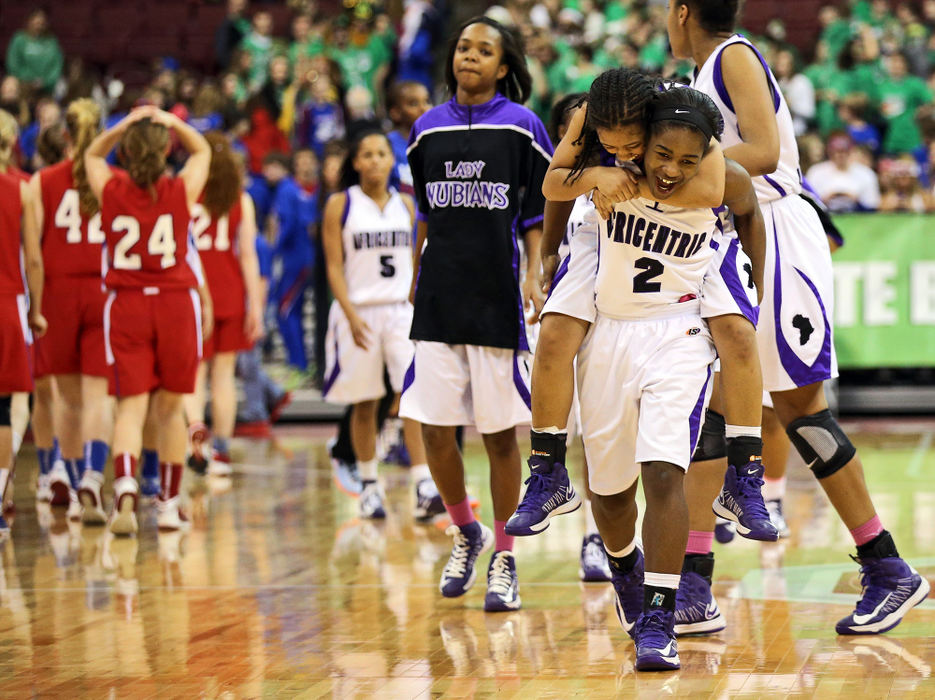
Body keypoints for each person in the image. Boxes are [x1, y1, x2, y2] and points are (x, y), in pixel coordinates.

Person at [668, 0, 929, 636]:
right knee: (709, 409)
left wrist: (669, 171)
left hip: (777, 230)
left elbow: (762, 150)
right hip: (729, 233)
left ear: (681, 12)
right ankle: (695, 583)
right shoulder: (699, 77)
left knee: (801, 409)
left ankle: (889, 568)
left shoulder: (732, 56)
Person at [508, 67, 772, 557]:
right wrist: (592, 182)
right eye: (614, 147)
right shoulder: (593, 117)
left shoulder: (682, 122)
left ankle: (746, 471)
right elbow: (553, 184)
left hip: (694, 238)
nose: (625, 154)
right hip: (609, 232)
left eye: (632, 146)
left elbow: (717, 193)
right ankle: (547, 469)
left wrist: (619, 182)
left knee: (738, 335)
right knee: (555, 331)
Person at [575, 85, 765, 672]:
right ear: (642, 141)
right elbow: (555, 182)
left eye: (686, 160)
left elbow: (750, 207)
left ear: (704, 154)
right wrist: (583, 189)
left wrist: (755, 275)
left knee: (663, 473)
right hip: (610, 332)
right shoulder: (611, 167)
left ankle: (659, 616)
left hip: (678, 332)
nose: (669, 170)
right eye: (661, 154)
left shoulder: (716, 179)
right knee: (609, 494)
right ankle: (626, 567)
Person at [400, 16, 551, 612]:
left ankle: (506, 557)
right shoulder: (424, 130)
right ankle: (467, 531)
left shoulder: (524, 128)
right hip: (438, 293)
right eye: (463, 47)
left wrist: (533, 273)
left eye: (484, 50)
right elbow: (424, 214)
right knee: (435, 429)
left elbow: (537, 216)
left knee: (497, 436)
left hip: (495, 296)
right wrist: (415, 268)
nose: (470, 57)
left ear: (504, 66)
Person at [84, 106, 213, 535]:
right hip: (175, 304)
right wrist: (172, 120)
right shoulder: (178, 189)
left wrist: (121, 124)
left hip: (127, 303)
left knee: (129, 410)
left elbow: (91, 157)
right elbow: (203, 151)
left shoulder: (112, 188)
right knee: (171, 410)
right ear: (163, 152)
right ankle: (167, 505)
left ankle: (123, 489)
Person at [321, 130, 442, 521]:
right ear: (355, 162)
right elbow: (334, 266)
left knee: (412, 397)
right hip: (358, 310)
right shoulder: (340, 204)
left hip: (400, 310)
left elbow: (419, 256)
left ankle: (423, 481)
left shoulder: (406, 204)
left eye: (381, 154)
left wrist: (416, 299)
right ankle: (370, 485)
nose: (374, 161)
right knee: (365, 402)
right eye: (366, 154)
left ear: (392, 160)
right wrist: (350, 314)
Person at [31, 98, 115, 524]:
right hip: (103, 290)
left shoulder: (42, 181)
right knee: (99, 396)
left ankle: (70, 468)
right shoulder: (113, 180)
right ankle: (94, 478)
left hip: (57, 293)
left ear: (63, 134)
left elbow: (34, 252)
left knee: (67, 398)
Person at [183, 132, 263, 475]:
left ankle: (195, 441)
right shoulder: (240, 199)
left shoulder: (185, 194)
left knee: (194, 373)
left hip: (193, 288)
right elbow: (247, 256)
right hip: (229, 290)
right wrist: (256, 305)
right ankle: (223, 449)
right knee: (224, 375)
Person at [0, 170, 46, 537]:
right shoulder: (20, 189)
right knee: (3, 408)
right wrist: (36, 311)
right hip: (6, 301)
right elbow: (33, 259)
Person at [271, 148, 319, 377]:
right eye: (301, 161)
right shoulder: (288, 189)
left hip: (311, 258)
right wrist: (275, 252)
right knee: (288, 310)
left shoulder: (321, 190)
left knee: (288, 310)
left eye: (310, 160)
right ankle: (298, 362)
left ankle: (300, 364)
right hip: (293, 258)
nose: (306, 165)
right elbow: (285, 224)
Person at [386, 80, 432, 196]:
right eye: (414, 104)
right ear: (395, 112)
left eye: (427, 101)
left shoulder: (441, 141)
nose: (423, 108)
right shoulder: (387, 145)